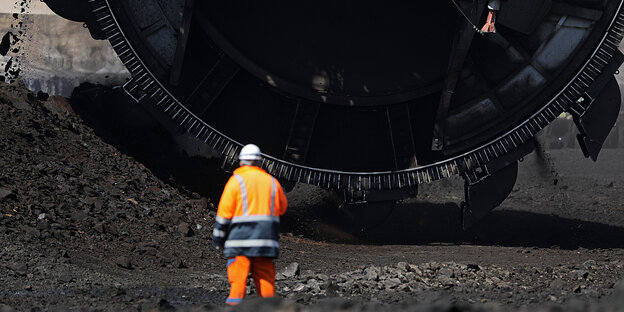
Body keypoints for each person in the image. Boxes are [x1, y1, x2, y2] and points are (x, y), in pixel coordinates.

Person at [212, 144, 288, 305]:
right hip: (265, 242)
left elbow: (224, 213)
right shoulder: (273, 183)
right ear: (260, 163)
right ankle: (269, 308)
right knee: (265, 278)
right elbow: (282, 208)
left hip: (240, 242)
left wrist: (218, 238)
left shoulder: (236, 181)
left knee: (238, 278)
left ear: (240, 162)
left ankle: (234, 307)